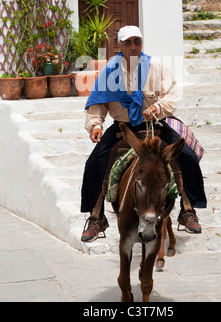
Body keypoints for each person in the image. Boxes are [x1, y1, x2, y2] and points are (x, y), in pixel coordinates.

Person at [80, 25, 206, 242]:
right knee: (94, 163)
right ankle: (96, 216)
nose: (133, 46)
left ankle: (188, 209)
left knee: (187, 156)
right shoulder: (110, 70)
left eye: (137, 42)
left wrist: (157, 108)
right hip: (123, 127)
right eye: (128, 43)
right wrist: (96, 126)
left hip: (155, 126)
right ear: (119, 45)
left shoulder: (155, 66)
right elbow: (98, 104)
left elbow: (172, 95)